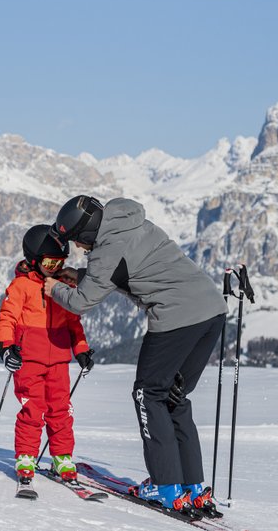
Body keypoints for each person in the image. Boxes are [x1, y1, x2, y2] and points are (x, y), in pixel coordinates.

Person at [44, 195, 228, 515]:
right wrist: (78, 274)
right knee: (174, 397)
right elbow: (122, 267)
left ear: (86, 235)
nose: (79, 248)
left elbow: (81, 303)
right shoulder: (131, 221)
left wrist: (52, 288)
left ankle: (165, 487)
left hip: (176, 317)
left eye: (77, 241)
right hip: (212, 311)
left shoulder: (103, 252)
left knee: (148, 394)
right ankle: (193, 488)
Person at [0, 224, 94, 485]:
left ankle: (62, 456)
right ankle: (26, 456)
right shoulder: (21, 286)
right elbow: (7, 318)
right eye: (49, 261)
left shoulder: (63, 286)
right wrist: (7, 347)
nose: (54, 267)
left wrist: (81, 350)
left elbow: (74, 323)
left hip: (59, 360)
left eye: (59, 261)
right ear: (34, 259)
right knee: (33, 409)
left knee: (61, 410)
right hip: (29, 360)